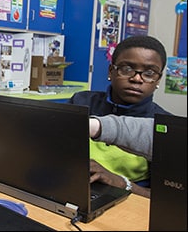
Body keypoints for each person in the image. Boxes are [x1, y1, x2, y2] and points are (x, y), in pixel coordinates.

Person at [69, 35, 171, 198]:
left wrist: (121, 183)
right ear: (111, 71)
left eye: (149, 73)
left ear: (158, 79)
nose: (136, 79)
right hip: (75, 188)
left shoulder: (163, 125)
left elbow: (166, 198)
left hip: (131, 201)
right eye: (127, 69)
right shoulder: (81, 102)